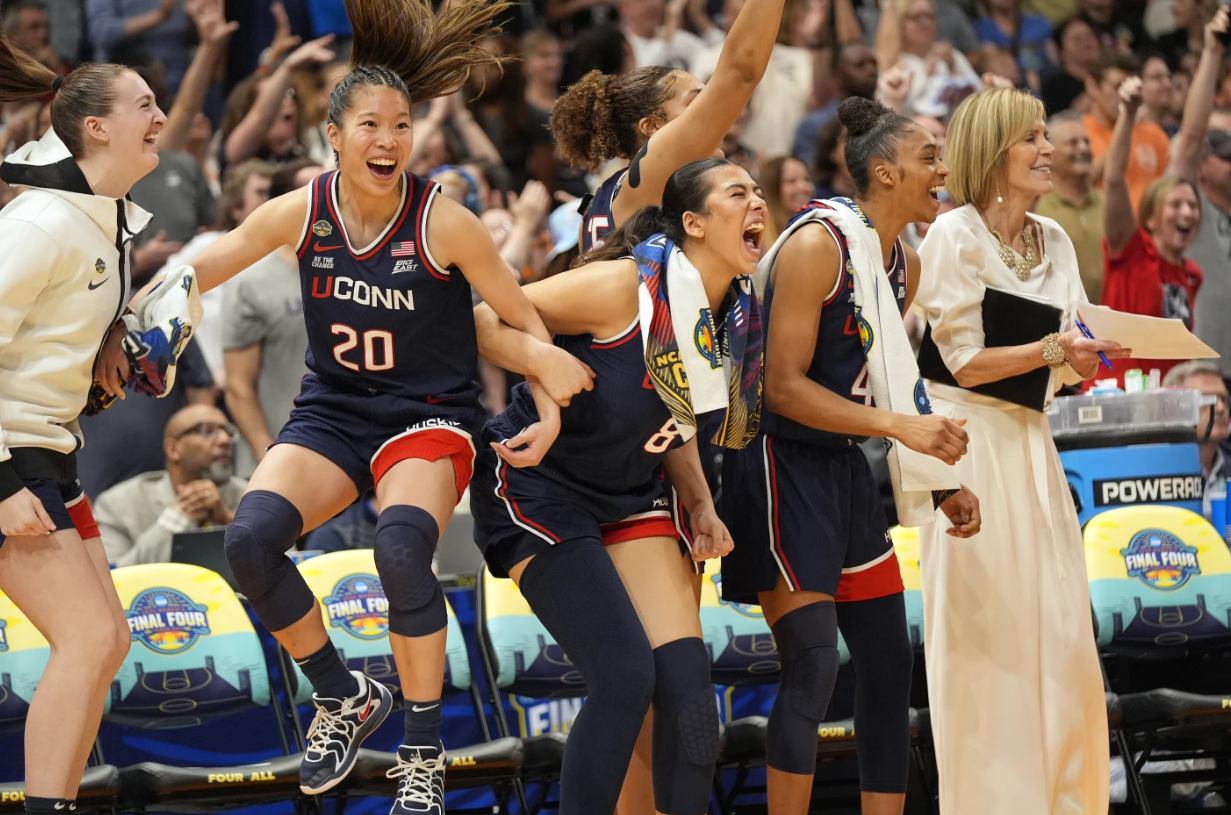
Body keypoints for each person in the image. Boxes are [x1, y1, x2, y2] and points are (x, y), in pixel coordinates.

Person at [142, 0, 595, 807]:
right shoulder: (302, 210)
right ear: (337, 137)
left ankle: (422, 745)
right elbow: (205, 266)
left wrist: (547, 401)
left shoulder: (444, 222)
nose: (390, 140)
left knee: (398, 550)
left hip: (429, 415)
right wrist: (127, 309)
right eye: (371, 126)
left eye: (402, 125)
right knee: (249, 543)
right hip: (336, 408)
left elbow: (520, 313)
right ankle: (340, 694)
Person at [470, 157, 762, 815]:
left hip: (631, 489)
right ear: (693, 222)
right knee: (625, 673)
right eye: (738, 192)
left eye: (759, 192)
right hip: (536, 482)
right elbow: (488, 316)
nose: (758, 204)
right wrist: (544, 365)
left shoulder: (732, 314)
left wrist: (699, 500)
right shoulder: (621, 288)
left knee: (687, 686)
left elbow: (673, 416)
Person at [720, 98, 978, 815]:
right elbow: (779, 387)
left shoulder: (907, 261)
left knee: (890, 662)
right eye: (929, 157)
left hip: (838, 466)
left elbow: (894, 377)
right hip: (775, 459)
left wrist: (940, 480)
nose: (943, 169)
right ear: (885, 172)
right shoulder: (818, 245)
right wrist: (899, 428)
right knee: (808, 664)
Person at [915, 86, 1130, 814]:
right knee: (985, 645)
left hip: (1034, 446)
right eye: (1030, 137)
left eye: (1046, 134)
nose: (1047, 149)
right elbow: (962, 361)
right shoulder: (952, 236)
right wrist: (1051, 348)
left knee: (1063, 636)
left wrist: (1083, 361)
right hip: (965, 449)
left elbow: (1060, 370)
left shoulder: (1058, 239)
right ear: (989, 152)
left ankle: (1069, 800)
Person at [0, 35, 170, 815]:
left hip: (52, 455)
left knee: (108, 641)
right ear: (96, 128)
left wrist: (109, 353)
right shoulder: (39, 221)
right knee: (92, 640)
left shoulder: (104, 221)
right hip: (12, 462)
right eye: (144, 105)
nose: (161, 117)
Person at [552, 0, 786, 253]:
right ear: (652, 127)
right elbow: (741, 72)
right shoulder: (653, 169)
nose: (715, 116)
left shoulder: (605, 200)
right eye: (695, 105)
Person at [1102, 76, 1203, 385]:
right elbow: (1115, 180)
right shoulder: (1130, 250)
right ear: (1149, 219)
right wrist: (1129, 114)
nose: (1186, 212)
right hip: (1116, 398)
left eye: (1192, 205)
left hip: (1168, 402)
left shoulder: (1191, 274)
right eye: (1175, 205)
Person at [221, 164, 314, 477]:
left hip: (355, 459)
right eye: (313, 193)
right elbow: (238, 387)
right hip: (281, 460)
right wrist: (269, 458)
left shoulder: (359, 270)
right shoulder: (252, 281)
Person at [95, 404, 247, 566]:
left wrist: (229, 523)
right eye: (208, 431)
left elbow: (271, 569)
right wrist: (176, 520)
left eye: (228, 432)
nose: (225, 440)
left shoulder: (249, 494)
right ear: (173, 449)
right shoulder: (119, 503)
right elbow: (114, 579)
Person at [1168, 8, 1231, 382]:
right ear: (1203, 166)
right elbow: (1191, 136)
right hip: (1206, 375)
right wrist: (1211, 53)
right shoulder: (1192, 211)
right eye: (1226, 156)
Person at [1083, 51, 1170, 210]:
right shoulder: (1078, 133)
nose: (1125, 95)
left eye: (1131, 87)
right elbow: (1078, 186)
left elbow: (1167, 192)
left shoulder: (1154, 134)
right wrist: (1127, 122)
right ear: (1092, 86)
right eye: (1118, 86)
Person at [1034, 110, 1104, 301]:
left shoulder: (1106, 204)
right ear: (1050, 152)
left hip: (1109, 321)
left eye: (1086, 142)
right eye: (1072, 143)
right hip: (1060, 323)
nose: (1083, 148)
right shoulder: (1036, 207)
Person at [791, 42, 880, 165]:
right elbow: (810, 177)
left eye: (874, 64)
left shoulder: (888, 119)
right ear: (838, 75)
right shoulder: (813, 126)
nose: (871, 70)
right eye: (860, 65)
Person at [1163, 360, 1230, 521]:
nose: (1220, 408)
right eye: (1207, 399)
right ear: (1173, 408)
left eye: (1223, 399)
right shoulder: (1158, 471)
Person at [1039, 16, 1099, 114]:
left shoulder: (1111, 74)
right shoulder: (1055, 87)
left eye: (1089, 36)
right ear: (1061, 51)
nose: (1086, 43)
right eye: (1077, 39)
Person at [760, 155, 815, 247]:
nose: (803, 187)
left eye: (807, 179)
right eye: (791, 181)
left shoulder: (817, 230)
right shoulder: (759, 239)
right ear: (772, 189)